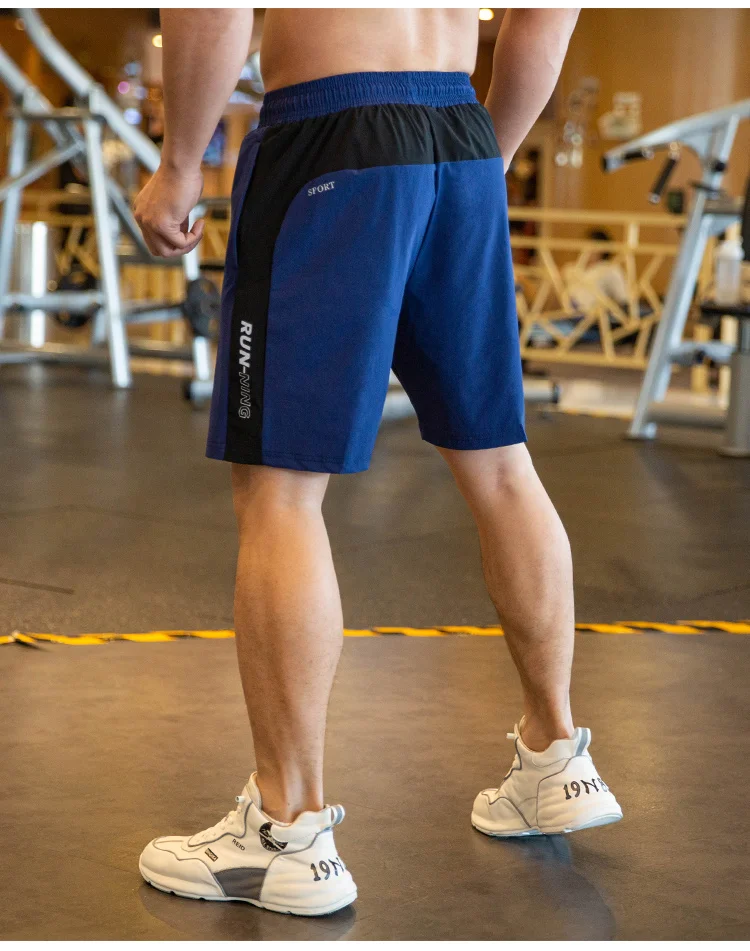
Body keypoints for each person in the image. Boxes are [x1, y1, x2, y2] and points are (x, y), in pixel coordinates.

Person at [134, 8, 622, 917]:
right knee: (500, 462)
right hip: (459, 137)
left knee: (281, 491)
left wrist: (179, 165)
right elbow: (545, 16)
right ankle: (557, 754)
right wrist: (478, 159)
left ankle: (287, 830)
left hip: (333, 131)